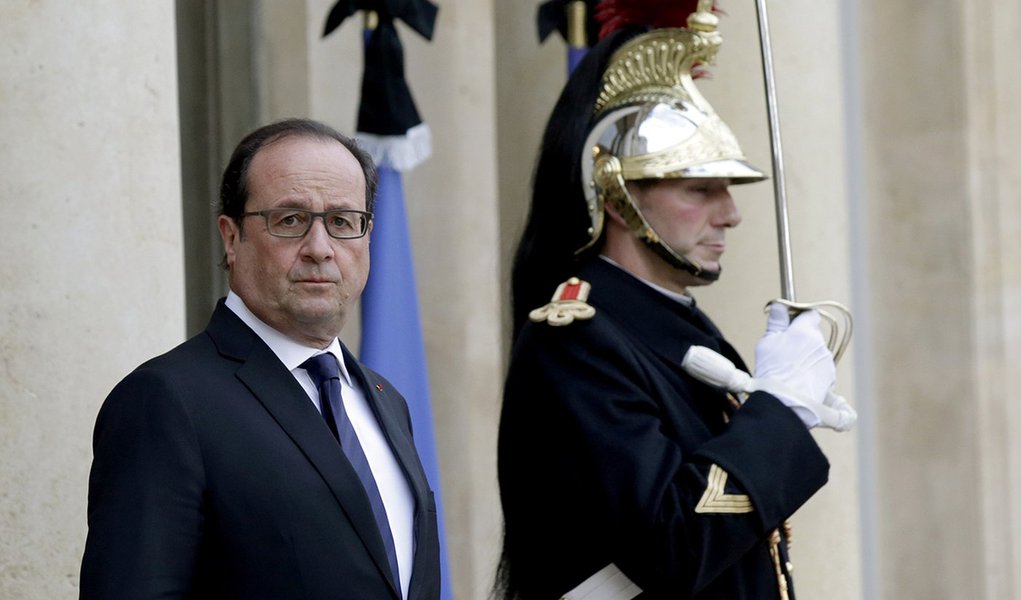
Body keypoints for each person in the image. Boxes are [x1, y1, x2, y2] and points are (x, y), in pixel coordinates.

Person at [496, 8, 854, 600]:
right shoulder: (577, 340)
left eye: (728, 190)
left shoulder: (672, 326)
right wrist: (780, 413)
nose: (730, 214)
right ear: (617, 198)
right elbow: (674, 544)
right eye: (699, 189)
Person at [80, 118, 440, 600]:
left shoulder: (386, 400)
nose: (320, 249)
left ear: (367, 236)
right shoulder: (167, 401)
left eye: (342, 221)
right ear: (231, 238)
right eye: (289, 220)